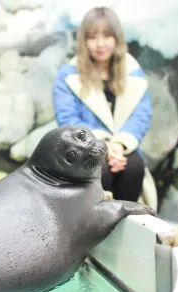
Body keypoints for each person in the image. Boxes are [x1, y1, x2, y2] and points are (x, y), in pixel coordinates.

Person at [52, 6, 153, 202]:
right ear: (84, 41)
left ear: (116, 38)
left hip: (123, 148)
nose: (100, 44)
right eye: (92, 37)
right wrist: (104, 145)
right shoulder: (69, 75)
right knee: (100, 171)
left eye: (106, 36)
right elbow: (67, 118)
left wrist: (120, 145)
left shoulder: (133, 72)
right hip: (85, 148)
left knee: (133, 168)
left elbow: (141, 115)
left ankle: (127, 225)